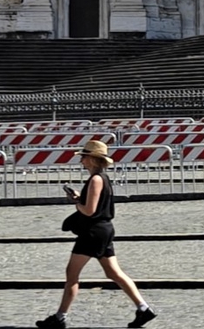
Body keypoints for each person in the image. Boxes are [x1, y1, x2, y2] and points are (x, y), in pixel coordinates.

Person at [39, 137, 155, 329]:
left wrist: (76, 202)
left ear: (92, 159)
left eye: (84, 157)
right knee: (114, 273)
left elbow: (90, 210)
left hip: (92, 232)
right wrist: (80, 197)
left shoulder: (95, 180)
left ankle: (60, 317)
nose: (81, 160)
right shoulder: (103, 179)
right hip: (104, 230)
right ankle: (143, 308)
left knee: (72, 274)